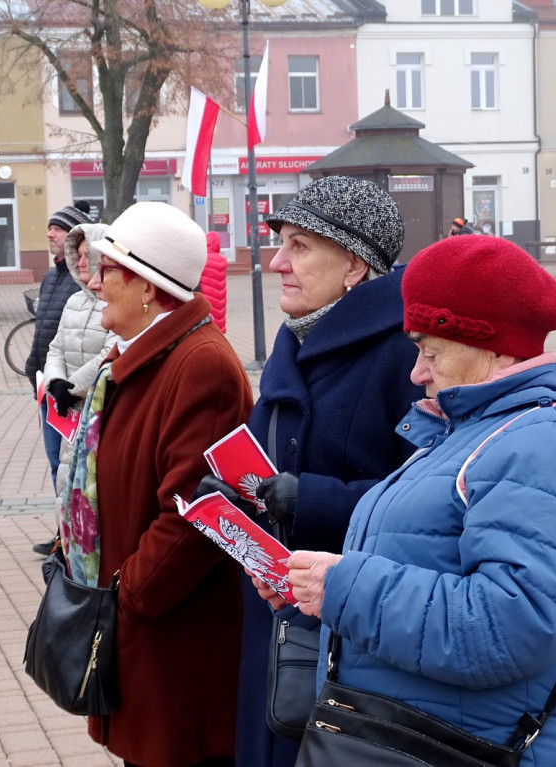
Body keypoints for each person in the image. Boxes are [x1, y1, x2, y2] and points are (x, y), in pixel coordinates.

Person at [263, 235, 556, 766]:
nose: (416, 372)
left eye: (430, 350)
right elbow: (424, 563)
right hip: (428, 738)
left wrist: (343, 587)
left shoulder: (554, 443)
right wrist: (313, 590)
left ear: (491, 345)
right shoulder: (469, 430)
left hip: (486, 749)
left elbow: (511, 624)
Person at [196, 175, 423, 767]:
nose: (275, 263)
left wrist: (310, 499)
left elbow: (426, 501)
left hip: (349, 627)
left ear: (353, 264)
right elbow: (274, 458)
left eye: (299, 246)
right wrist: (237, 497)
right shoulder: (294, 337)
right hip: (273, 609)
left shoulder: (406, 353)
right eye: (280, 244)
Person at [64, 201, 253, 767]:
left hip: (173, 643)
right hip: (140, 632)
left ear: (147, 286)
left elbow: (195, 512)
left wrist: (128, 595)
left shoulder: (200, 365)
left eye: (108, 271)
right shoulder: (138, 357)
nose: (95, 284)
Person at [31, 221, 115, 556]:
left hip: (95, 405)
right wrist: (55, 383)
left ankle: (88, 547)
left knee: (93, 482)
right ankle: (66, 539)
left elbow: (111, 350)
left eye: (87, 255)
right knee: (65, 472)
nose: (81, 262)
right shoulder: (73, 302)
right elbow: (54, 348)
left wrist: (74, 387)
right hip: (66, 407)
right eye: (77, 255)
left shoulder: (112, 303)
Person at [25, 200, 93, 494]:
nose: (50, 235)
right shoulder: (51, 277)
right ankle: (61, 534)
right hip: (47, 385)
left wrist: (69, 383)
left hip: (70, 389)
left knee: (72, 463)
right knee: (56, 463)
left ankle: (70, 533)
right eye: (49, 229)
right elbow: (48, 333)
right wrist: (34, 366)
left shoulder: (83, 281)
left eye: (57, 229)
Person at [200, 231, 228, 333]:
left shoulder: (202, 259)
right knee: (218, 318)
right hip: (219, 298)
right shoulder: (222, 260)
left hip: (204, 299)